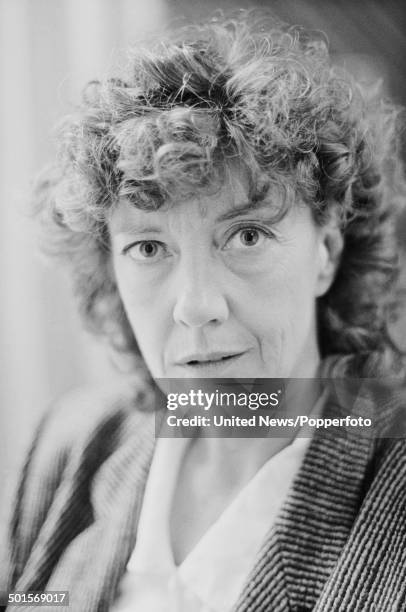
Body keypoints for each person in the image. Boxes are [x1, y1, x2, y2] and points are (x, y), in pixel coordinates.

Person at [1, 11, 406, 612]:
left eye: (246, 236)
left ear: (327, 252)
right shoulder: (77, 441)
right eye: (148, 247)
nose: (195, 307)